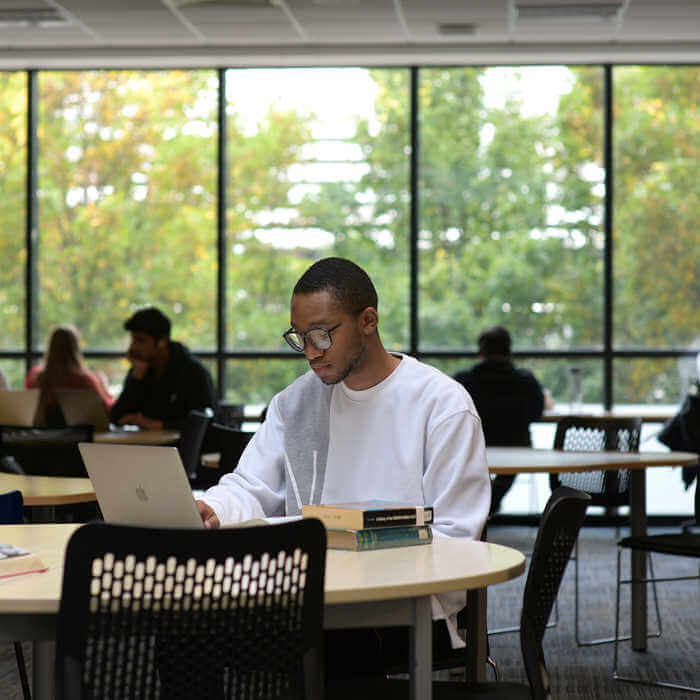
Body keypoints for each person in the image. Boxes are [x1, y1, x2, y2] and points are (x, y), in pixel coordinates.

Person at [196, 257, 490, 679]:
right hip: (307, 591)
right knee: (186, 625)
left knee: (324, 644)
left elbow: (458, 536)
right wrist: (214, 508)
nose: (311, 352)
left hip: (409, 602)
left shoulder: (441, 405)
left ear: (368, 320)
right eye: (299, 338)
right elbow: (250, 485)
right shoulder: (295, 403)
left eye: (321, 334)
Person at [454, 325, 545, 515]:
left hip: (475, 447)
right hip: (517, 448)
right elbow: (537, 413)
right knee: (508, 470)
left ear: (480, 352)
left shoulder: (463, 381)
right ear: (510, 352)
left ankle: (483, 505)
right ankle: (491, 502)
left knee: (471, 471)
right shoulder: (525, 381)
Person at [110, 306, 217, 430]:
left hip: (183, 448)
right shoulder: (142, 369)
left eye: (141, 341)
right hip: (149, 446)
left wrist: (159, 425)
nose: (133, 347)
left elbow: (206, 422)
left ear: (162, 341)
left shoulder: (192, 371)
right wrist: (136, 379)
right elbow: (116, 417)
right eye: (133, 340)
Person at [25, 324, 114, 426]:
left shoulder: (36, 377)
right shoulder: (84, 380)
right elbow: (106, 413)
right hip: (79, 438)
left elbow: (27, 411)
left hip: (43, 438)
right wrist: (104, 387)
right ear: (75, 348)